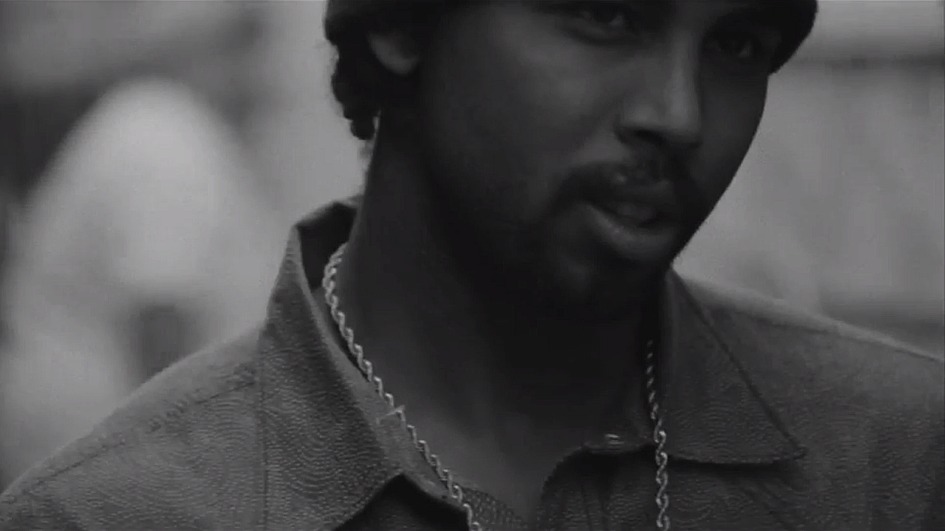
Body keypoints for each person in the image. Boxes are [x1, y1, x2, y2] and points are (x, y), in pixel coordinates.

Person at [1, 0, 942, 529]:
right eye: (609, 15)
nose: (679, 114)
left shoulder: (900, 460)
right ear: (404, 21)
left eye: (738, 45)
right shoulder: (112, 515)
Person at [0, 2, 283, 487]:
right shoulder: (162, 136)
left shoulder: (159, 123)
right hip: (105, 465)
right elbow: (159, 322)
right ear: (196, 49)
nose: (262, 80)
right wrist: (182, 477)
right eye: (242, 50)